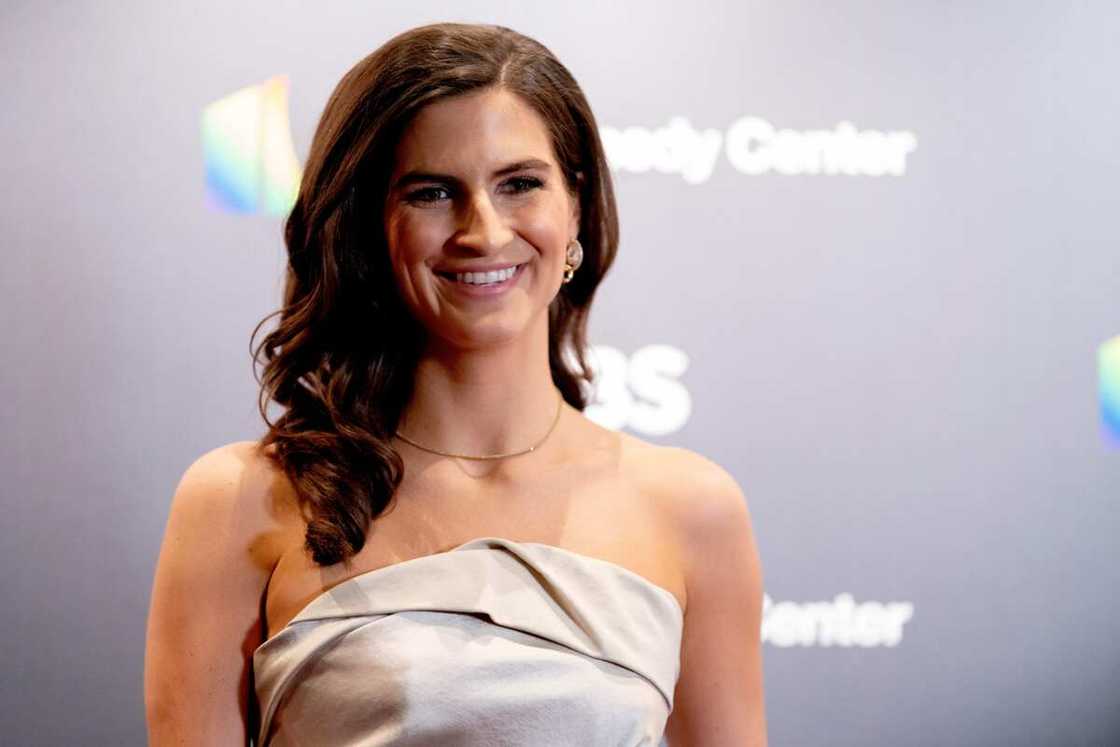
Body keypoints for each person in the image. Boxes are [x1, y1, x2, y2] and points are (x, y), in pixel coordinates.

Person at [144, 21, 767, 746]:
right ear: (368, 228)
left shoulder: (693, 510)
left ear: (576, 209)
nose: (484, 230)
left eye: (520, 184)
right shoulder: (239, 500)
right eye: (433, 191)